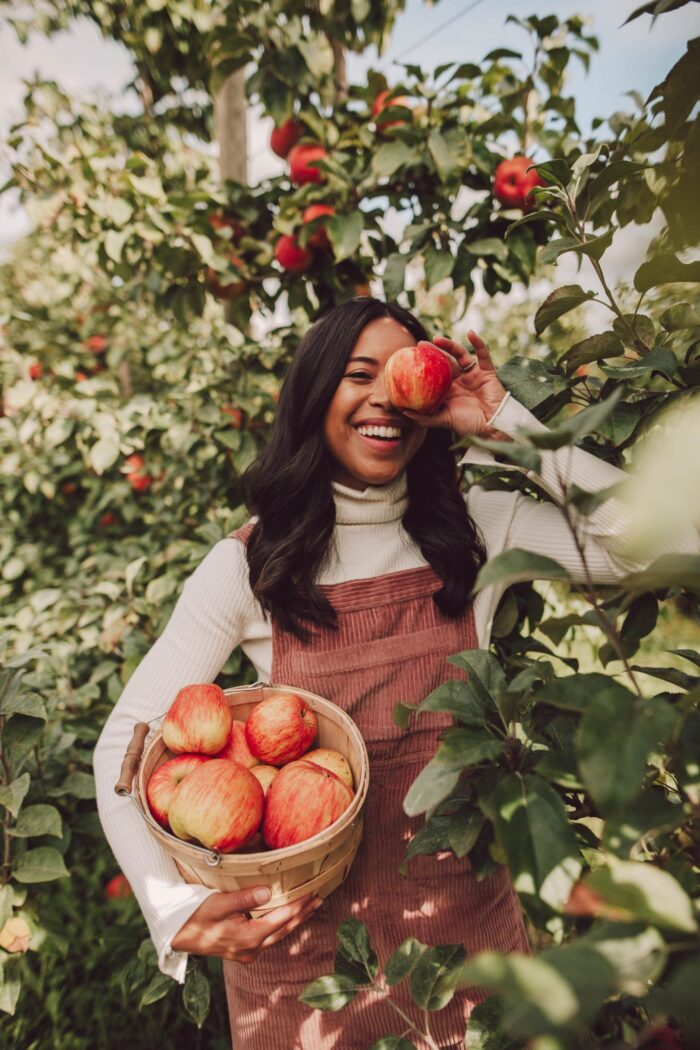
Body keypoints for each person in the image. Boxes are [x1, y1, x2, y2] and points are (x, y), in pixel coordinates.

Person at [94, 297, 696, 1049]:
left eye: (403, 376)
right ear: (316, 395)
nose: (385, 396)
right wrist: (170, 909)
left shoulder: (477, 530)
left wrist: (509, 418)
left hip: (473, 962)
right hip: (302, 979)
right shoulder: (250, 566)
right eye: (358, 374)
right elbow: (127, 737)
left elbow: (667, 539)